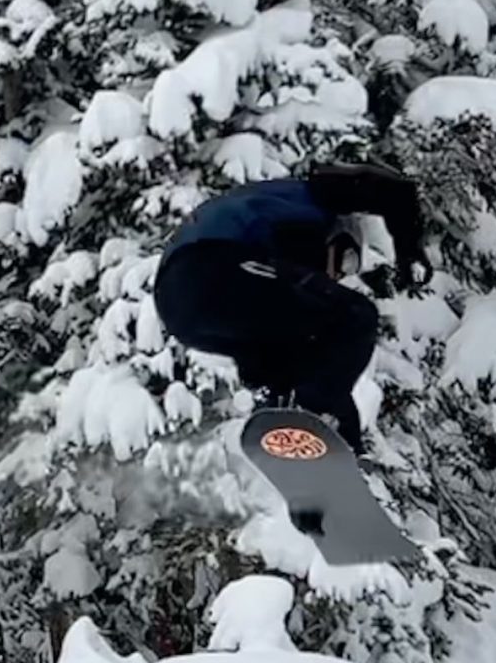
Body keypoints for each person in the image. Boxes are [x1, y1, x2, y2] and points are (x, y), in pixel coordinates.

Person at [152, 161, 428, 452]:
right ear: (336, 236)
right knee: (356, 315)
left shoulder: (274, 294)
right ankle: (318, 422)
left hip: (180, 308)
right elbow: (395, 191)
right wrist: (411, 252)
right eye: (347, 259)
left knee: (283, 366)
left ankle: (300, 441)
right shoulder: (317, 199)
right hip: (211, 266)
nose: (338, 275)